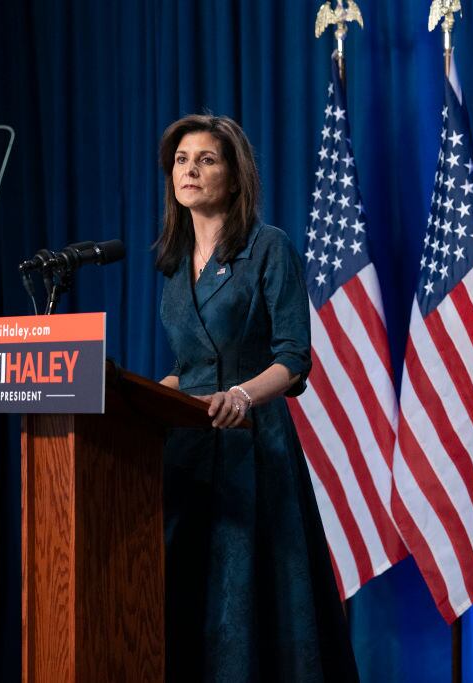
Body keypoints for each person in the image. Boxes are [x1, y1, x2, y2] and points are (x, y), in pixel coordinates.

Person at [154, 114, 358, 681]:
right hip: (188, 455)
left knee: (249, 601)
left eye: (206, 159)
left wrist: (242, 395)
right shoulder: (174, 269)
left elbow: (294, 358)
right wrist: (135, 399)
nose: (190, 170)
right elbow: (187, 369)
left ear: (236, 177)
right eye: (181, 160)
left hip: (251, 450)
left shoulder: (270, 248)